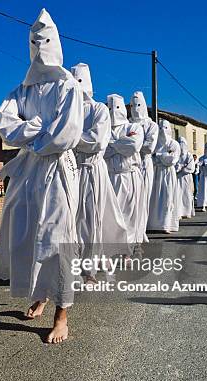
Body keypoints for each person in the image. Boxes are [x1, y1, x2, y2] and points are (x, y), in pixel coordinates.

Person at [0, 9, 84, 344]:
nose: (39, 46)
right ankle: (40, 293)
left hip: (57, 170)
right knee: (28, 233)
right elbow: (6, 125)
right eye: (34, 41)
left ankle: (62, 313)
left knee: (57, 236)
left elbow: (65, 133)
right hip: (29, 170)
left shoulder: (67, 86)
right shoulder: (22, 90)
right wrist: (35, 129)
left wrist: (29, 134)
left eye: (44, 40)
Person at [70, 63, 128, 280]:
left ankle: (89, 268)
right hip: (71, 171)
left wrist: (69, 139)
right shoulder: (67, 110)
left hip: (92, 171)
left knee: (90, 219)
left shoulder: (99, 110)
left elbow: (96, 140)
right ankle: (72, 262)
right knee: (72, 220)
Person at [104, 94, 144, 243]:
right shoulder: (104, 127)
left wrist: (111, 144)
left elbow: (133, 146)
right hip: (109, 176)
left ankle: (128, 247)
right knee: (110, 215)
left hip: (128, 176)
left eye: (117, 107)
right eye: (110, 108)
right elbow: (101, 149)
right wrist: (120, 144)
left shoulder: (133, 127)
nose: (113, 111)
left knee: (129, 213)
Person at [130, 91, 158, 242]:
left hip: (144, 164)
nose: (135, 108)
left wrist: (131, 144)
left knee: (144, 197)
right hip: (130, 164)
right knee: (131, 199)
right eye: (133, 105)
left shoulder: (151, 125)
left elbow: (149, 147)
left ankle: (141, 230)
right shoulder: (128, 123)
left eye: (138, 105)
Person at [147, 120, 181, 233]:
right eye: (160, 128)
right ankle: (153, 224)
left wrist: (159, 156)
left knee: (167, 198)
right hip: (156, 173)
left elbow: (173, 160)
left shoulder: (174, 144)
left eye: (165, 127)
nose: (162, 130)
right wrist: (163, 157)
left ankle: (166, 224)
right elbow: (151, 158)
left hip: (168, 174)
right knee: (154, 198)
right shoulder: (156, 143)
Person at [176, 137, 196, 218]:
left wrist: (182, 168)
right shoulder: (176, 154)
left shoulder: (189, 155)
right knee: (178, 194)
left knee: (187, 194)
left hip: (186, 178)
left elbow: (191, 167)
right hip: (177, 178)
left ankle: (187, 211)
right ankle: (179, 212)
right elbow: (174, 165)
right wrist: (180, 167)